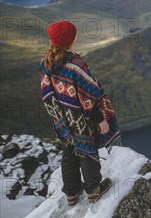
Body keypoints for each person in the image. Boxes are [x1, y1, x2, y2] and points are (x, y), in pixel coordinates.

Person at [40, 20, 122, 206]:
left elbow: (47, 94)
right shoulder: (76, 64)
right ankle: (93, 189)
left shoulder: (46, 63)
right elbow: (89, 96)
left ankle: (71, 193)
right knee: (86, 150)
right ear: (72, 39)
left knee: (69, 152)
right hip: (80, 119)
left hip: (62, 118)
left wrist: (60, 116)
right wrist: (101, 120)